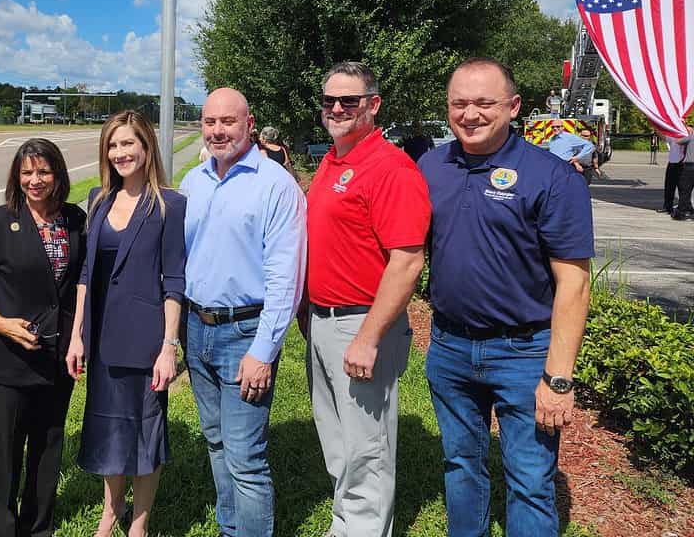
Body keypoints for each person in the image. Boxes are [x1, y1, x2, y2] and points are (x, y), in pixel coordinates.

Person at [418, 58, 593, 536]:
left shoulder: (553, 177)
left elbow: (575, 283)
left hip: (525, 352)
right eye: (459, 103)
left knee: (531, 481)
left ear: (513, 107)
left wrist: (558, 377)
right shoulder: (431, 166)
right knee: (461, 466)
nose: (470, 114)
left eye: (484, 102)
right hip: (450, 348)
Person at [303, 62, 431, 537]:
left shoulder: (390, 168)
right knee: (339, 442)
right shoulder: (335, 160)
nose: (337, 108)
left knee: (367, 451)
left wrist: (369, 336)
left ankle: (364, 528)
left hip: (361, 325)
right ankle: (347, 526)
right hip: (324, 322)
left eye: (349, 101)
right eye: (329, 100)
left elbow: (407, 262)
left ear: (373, 105)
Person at [180, 87, 307, 537]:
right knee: (215, 442)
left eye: (228, 121)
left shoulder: (275, 185)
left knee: (245, 456)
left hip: (245, 333)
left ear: (249, 124)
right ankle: (230, 527)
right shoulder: (194, 181)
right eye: (210, 121)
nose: (218, 130)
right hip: (196, 329)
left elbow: (285, 279)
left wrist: (264, 350)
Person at [66, 111, 186, 537]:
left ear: (146, 146)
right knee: (108, 427)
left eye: (128, 144)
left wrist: (169, 345)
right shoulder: (99, 199)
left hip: (145, 339)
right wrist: (77, 335)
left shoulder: (169, 205)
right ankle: (109, 511)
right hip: (101, 339)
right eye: (113, 146)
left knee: (144, 431)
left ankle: (140, 523)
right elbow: (86, 274)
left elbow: (174, 280)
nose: (120, 153)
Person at [0, 139, 85, 537]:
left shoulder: (75, 220)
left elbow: (81, 282)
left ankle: (39, 527)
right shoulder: (0, 221)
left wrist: (79, 337)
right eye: (27, 172)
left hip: (57, 357)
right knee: (4, 455)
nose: (35, 180)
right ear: (17, 175)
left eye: (43, 171)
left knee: (48, 449)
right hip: (7, 362)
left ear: (58, 174)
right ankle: (2, 529)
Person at [662, 130, 690, 215]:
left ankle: (686, 207)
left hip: (683, 163)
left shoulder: (688, 136)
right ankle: (668, 206)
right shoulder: (672, 135)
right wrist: (656, 126)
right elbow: (663, 137)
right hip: (672, 162)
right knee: (669, 186)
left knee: (684, 188)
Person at [672, 126, 694, 221]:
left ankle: (681, 212)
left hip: (690, 166)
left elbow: (677, 141)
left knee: (685, 189)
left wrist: (681, 132)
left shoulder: (691, 137)